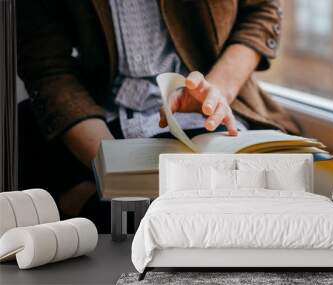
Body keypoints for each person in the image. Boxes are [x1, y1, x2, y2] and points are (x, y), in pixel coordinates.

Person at [16, 0, 299, 232]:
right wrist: (113, 171)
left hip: (208, 108)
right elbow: (47, 64)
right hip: (99, 114)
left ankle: (81, 202)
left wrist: (217, 91)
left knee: (223, 213)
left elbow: (262, 11)